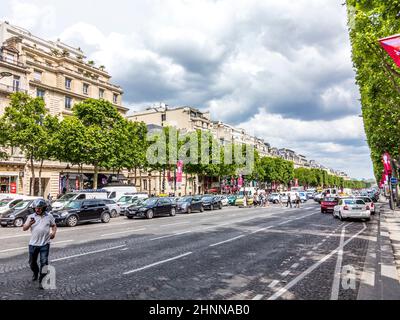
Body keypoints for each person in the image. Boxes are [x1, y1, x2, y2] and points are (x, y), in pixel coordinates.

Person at [22, 199, 57, 289]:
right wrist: (29, 223)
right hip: (33, 244)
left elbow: (53, 225)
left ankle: (42, 281)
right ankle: (35, 272)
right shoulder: (31, 217)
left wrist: (53, 233)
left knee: (44, 262)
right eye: (36, 208)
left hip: (45, 244)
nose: (37, 210)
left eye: (39, 208)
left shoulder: (49, 216)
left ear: (44, 208)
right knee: (32, 262)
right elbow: (24, 228)